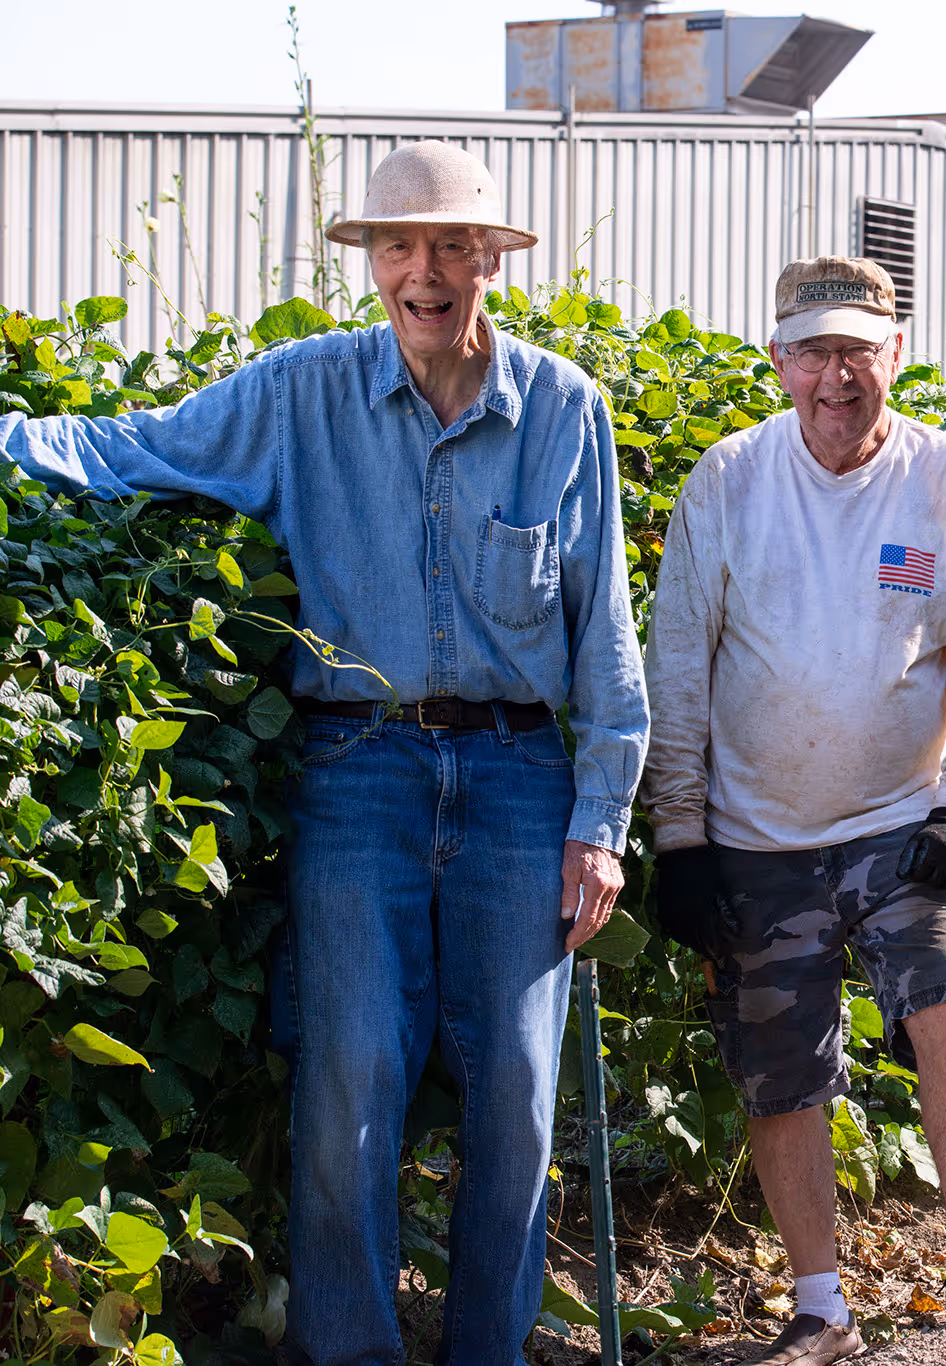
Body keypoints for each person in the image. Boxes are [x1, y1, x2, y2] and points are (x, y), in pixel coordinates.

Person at [0, 141, 648, 1363]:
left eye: (451, 246)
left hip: (520, 783)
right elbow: (135, 446)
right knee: (351, 1079)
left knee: (514, 1084)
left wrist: (599, 819)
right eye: (399, 247)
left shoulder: (563, 408)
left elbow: (605, 633)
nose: (424, 272)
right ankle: (351, 1350)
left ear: (489, 263)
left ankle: (486, 1352)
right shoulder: (302, 393)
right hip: (357, 773)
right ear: (369, 265)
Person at [640, 255, 946, 1363]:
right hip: (755, 834)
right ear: (778, 363)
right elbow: (679, 665)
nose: (837, 375)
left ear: (895, 358)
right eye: (815, 351)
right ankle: (819, 1303)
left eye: (858, 352)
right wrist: (679, 836)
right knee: (780, 1068)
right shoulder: (726, 481)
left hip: (900, 821)